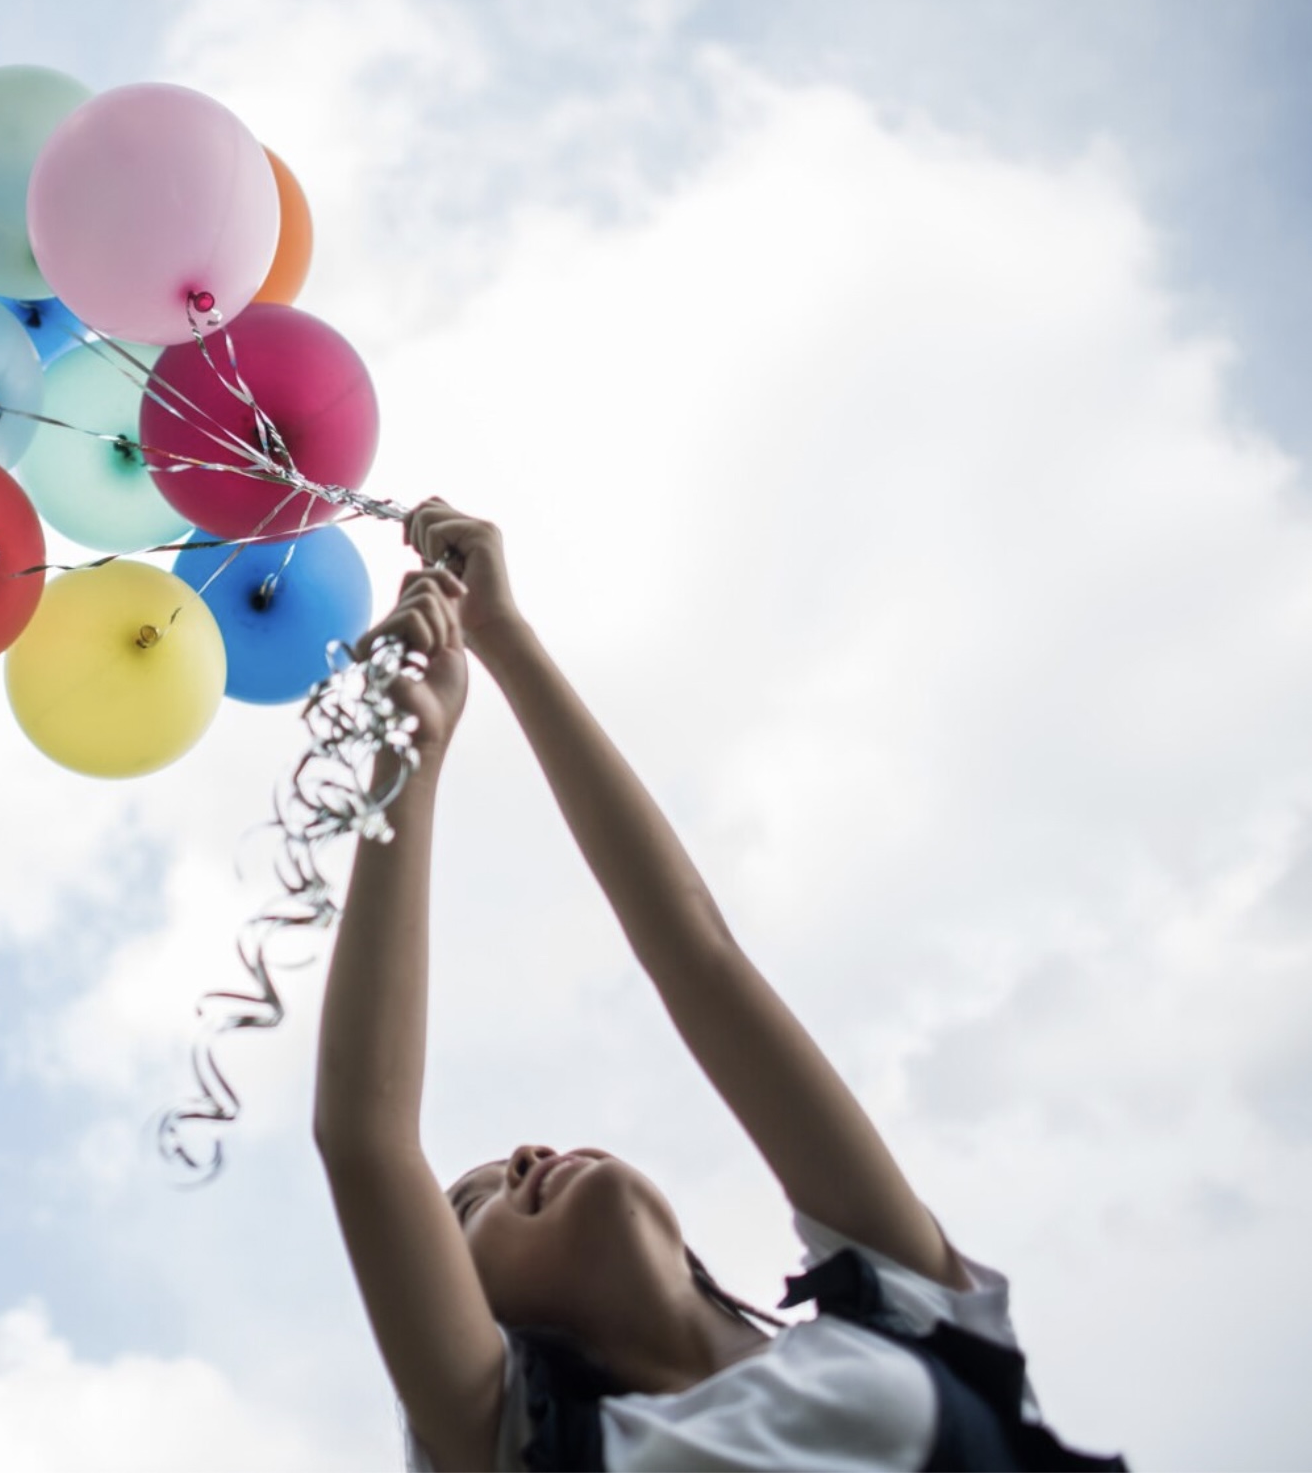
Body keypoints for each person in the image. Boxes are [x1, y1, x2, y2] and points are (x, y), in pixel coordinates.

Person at [313, 499, 1125, 1472]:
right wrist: (409, 755)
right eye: (471, 1204)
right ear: (466, 1309)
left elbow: (695, 954)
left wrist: (504, 640)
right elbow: (366, 1140)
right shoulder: (522, 1448)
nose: (524, 1154)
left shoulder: (905, 1317)